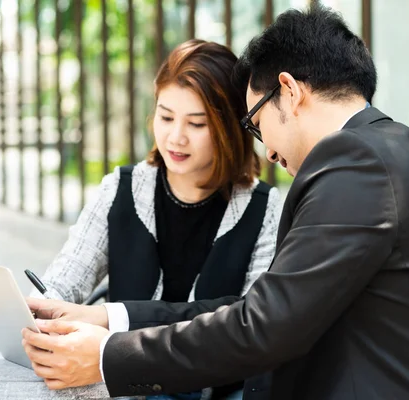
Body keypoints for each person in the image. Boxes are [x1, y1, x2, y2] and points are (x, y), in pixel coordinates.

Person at [22, 5, 409, 399]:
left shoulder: (356, 164)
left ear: (289, 91)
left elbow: (262, 326)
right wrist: (107, 318)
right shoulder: (380, 148)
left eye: (255, 122)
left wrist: (106, 357)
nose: (266, 149)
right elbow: (262, 310)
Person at [30, 39, 281, 399]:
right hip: (127, 386)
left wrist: (111, 317)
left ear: (228, 129)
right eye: (165, 117)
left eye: (196, 124)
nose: (175, 137)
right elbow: (65, 280)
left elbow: (249, 321)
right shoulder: (121, 187)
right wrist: (38, 313)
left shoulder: (265, 207)